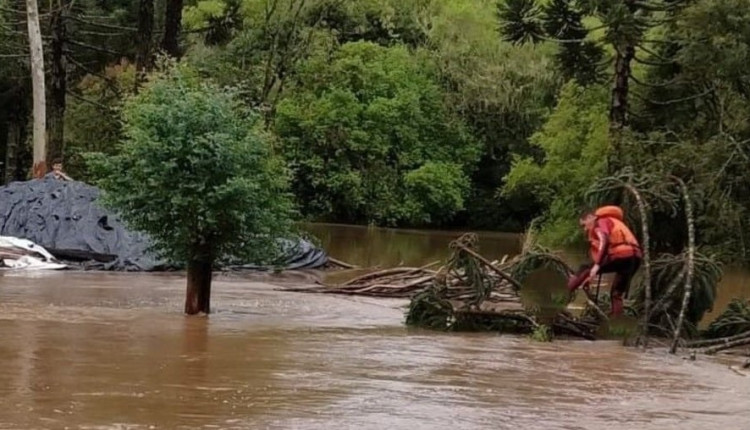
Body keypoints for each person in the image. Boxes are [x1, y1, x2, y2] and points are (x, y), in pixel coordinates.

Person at [567, 205, 642, 316]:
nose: (585, 229)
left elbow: (604, 240)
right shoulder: (615, 222)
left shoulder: (601, 222)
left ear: (590, 217)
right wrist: (591, 275)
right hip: (635, 258)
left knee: (584, 268)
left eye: (584, 225)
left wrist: (597, 265)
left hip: (621, 255)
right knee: (616, 294)